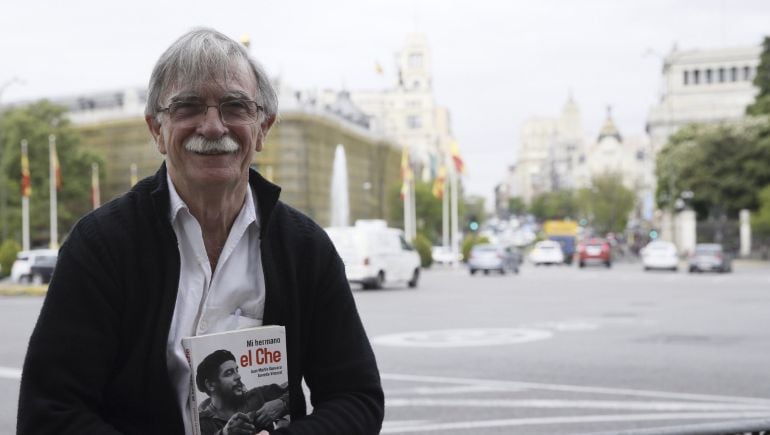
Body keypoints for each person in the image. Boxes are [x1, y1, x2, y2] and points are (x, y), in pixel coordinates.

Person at [17, 27, 384, 434]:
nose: (213, 126)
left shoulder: (305, 248)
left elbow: (356, 398)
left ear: (263, 127)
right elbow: (49, 412)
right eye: (188, 107)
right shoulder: (101, 246)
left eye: (235, 106)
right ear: (157, 129)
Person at [195, 350, 289, 435]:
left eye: (236, 370)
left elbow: (295, 389)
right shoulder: (202, 422)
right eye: (229, 373)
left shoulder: (257, 395)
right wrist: (224, 433)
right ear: (210, 385)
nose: (238, 376)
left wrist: (282, 403)